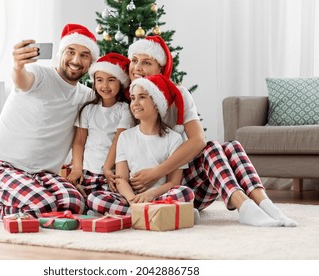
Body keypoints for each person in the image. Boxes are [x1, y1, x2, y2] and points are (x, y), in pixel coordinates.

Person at [126, 35, 297, 227]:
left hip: (184, 183)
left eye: (146, 62)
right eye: (134, 60)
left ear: (160, 68)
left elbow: (198, 141)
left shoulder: (179, 95)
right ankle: (245, 206)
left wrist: (157, 171)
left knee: (229, 146)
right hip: (160, 192)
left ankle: (263, 204)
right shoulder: (129, 100)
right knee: (215, 147)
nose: (137, 68)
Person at [0, 23, 100, 221]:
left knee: (75, 203)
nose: (76, 60)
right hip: (0, 166)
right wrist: (17, 65)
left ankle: (28, 203)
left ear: (91, 62)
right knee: (42, 205)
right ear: (61, 53)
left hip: (42, 175)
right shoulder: (41, 75)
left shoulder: (86, 96)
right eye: (71, 51)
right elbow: (22, 79)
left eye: (84, 55)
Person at [87, 74, 195, 215]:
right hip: (132, 198)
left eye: (142, 97)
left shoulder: (174, 138)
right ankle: (149, 214)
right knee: (94, 198)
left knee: (184, 193)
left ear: (157, 103)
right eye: (133, 98)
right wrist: (132, 200)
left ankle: (136, 214)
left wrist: (150, 195)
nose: (135, 103)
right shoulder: (125, 137)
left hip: (160, 196)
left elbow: (173, 183)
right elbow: (121, 179)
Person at [67, 52, 134, 199]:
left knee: (103, 200)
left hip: (110, 172)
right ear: (94, 82)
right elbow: (79, 142)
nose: (104, 86)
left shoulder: (124, 109)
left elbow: (118, 141)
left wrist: (107, 168)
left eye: (111, 80)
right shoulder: (88, 109)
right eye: (99, 80)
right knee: (75, 200)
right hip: (87, 172)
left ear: (120, 83)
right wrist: (77, 168)